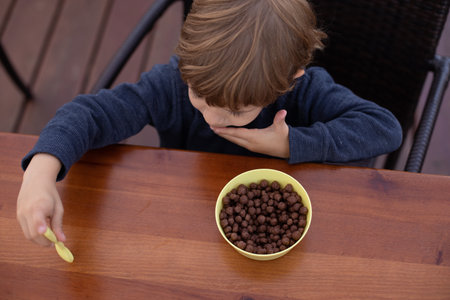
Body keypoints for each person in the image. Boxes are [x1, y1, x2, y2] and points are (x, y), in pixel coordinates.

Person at [16, 0, 402, 246]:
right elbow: (90, 114)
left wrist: (289, 144)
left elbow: (383, 128)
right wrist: (40, 173)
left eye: (236, 111)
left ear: (288, 81)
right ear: (186, 65)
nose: (215, 119)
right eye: (199, 97)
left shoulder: (304, 91)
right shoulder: (171, 84)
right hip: (185, 222)